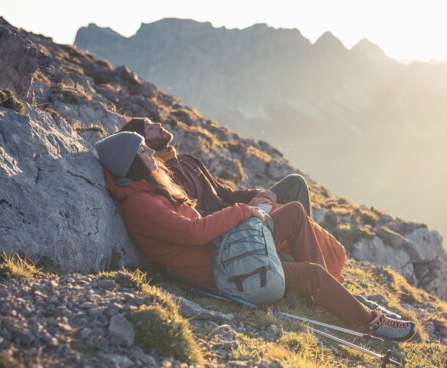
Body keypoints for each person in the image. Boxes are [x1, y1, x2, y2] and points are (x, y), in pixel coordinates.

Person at [95, 131, 415, 341]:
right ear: (131, 163)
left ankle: (319, 300)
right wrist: (245, 212)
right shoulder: (140, 204)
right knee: (313, 274)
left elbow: (202, 220)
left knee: (293, 212)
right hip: (226, 269)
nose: (150, 153)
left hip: (227, 249)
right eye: (142, 151)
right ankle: (369, 321)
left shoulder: (149, 190)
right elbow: (193, 233)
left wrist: (249, 209)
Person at [119, 118, 345, 280]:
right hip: (230, 227)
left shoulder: (187, 160)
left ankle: (303, 255)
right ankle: (312, 271)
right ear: (143, 145)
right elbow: (196, 220)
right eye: (149, 128)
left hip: (238, 210)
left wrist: (255, 195)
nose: (158, 125)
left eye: (153, 122)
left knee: (295, 183)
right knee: (292, 211)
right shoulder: (162, 179)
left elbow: (222, 191)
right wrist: (244, 210)